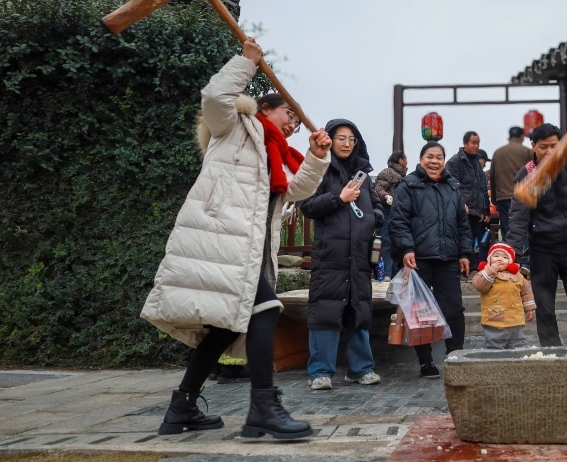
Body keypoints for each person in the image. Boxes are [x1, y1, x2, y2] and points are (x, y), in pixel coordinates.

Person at [142, 38, 331, 440]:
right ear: (264, 108)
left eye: (297, 122)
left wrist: (316, 157)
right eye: (289, 114)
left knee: (227, 328)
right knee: (265, 310)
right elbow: (215, 96)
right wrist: (245, 63)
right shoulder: (233, 127)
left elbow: (296, 190)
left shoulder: (277, 154)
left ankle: (181, 407)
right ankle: (262, 407)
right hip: (218, 242)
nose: (293, 125)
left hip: (250, 250)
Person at [300, 119, 383, 391]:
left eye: (351, 139)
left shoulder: (363, 174)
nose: (347, 144)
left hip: (359, 255)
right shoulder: (320, 168)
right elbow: (307, 205)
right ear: (330, 140)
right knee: (326, 310)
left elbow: (375, 202)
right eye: (341, 138)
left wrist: (375, 217)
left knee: (359, 311)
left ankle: (361, 369)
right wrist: (339, 198)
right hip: (331, 255)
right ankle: (320, 372)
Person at [507, 123, 567, 347]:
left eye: (554, 146)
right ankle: (551, 351)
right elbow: (518, 216)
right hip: (542, 249)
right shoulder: (526, 174)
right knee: (545, 305)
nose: (549, 152)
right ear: (533, 146)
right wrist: (512, 253)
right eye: (543, 147)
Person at [390, 142, 473, 378]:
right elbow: (398, 221)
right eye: (430, 156)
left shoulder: (452, 187)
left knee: (454, 308)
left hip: (447, 258)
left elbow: (462, 224)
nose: (434, 161)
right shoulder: (408, 185)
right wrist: (406, 249)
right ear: (421, 159)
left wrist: (464, 253)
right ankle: (425, 362)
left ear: (444, 161)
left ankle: (456, 355)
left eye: (439, 157)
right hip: (418, 259)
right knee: (420, 312)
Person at [470, 243, 536, 349]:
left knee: (518, 346)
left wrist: (529, 309)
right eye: (496, 256)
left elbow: (526, 292)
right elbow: (479, 286)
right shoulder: (485, 274)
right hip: (495, 321)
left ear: (510, 262)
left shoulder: (518, 276)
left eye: (505, 257)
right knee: (494, 347)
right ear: (489, 259)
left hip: (515, 320)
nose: (500, 259)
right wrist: (491, 271)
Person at [446, 131, 490, 266]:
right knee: (462, 239)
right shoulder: (455, 161)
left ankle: (469, 268)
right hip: (462, 209)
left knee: (472, 241)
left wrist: (486, 210)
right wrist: (460, 203)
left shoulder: (477, 162)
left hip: (476, 210)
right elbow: (452, 185)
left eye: (478, 143)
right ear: (465, 143)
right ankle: (461, 268)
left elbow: (482, 187)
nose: (476, 146)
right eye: (473, 143)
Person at [490, 126, 533, 240]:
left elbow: (493, 177)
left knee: (507, 229)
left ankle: (509, 250)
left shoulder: (498, 152)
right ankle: (524, 251)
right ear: (522, 137)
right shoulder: (527, 151)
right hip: (524, 197)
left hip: (504, 197)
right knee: (524, 228)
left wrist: (495, 199)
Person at [374, 151, 407, 280]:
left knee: (396, 242)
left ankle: (394, 273)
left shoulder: (401, 175)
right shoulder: (387, 172)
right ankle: (386, 273)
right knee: (387, 241)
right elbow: (378, 188)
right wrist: (386, 196)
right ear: (400, 160)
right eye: (405, 159)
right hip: (387, 210)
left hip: (398, 211)